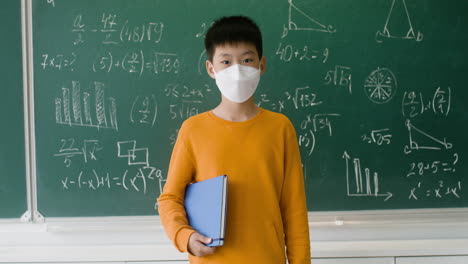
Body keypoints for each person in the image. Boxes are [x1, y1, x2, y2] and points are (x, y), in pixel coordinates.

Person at [158, 15, 311, 264]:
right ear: (211, 68)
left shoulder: (280, 128)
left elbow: (294, 211)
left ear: (261, 65)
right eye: (226, 61)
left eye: (247, 60)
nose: (237, 70)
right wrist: (184, 236)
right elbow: (170, 198)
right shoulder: (193, 129)